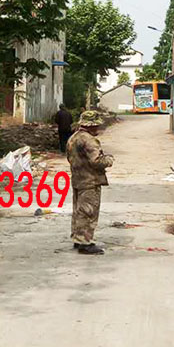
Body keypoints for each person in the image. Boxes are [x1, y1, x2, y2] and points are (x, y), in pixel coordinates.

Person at [66, 109, 114, 255]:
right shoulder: (90, 140)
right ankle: (85, 243)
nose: (98, 128)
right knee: (88, 212)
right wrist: (109, 160)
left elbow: (69, 158)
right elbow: (96, 161)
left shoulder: (73, 138)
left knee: (79, 211)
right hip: (90, 181)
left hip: (77, 179)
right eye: (97, 125)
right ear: (92, 125)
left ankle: (78, 238)